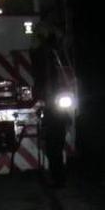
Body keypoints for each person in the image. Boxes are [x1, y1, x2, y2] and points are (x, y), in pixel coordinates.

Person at [30, 23, 69, 187]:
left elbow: (42, 79)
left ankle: (58, 179)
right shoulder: (51, 51)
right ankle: (58, 178)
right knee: (55, 145)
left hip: (51, 106)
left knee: (54, 145)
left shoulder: (41, 52)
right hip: (54, 107)